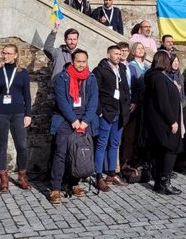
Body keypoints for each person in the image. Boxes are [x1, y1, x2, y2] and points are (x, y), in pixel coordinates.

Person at [49, 48, 99, 203]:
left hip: (84, 120)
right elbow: (62, 101)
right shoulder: (61, 78)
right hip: (66, 119)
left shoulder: (91, 78)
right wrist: (73, 120)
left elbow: (93, 101)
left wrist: (84, 121)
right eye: (78, 61)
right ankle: (56, 188)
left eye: (84, 62)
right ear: (72, 61)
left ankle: (74, 183)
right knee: (61, 154)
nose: (81, 65)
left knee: (78, 153)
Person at [0, 44, 32, 192]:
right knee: (1, 146)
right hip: (0, 113)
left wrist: (28, 114)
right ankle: (3, 179)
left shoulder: (23, 73)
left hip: (18, 113)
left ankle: (22, 176)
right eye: (4, 53)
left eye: (10, 53)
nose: (6, 56)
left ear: (16, 55)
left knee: (22, 146)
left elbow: (27, 95)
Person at [144, 51, 184, 194]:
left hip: (160, 120)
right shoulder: (158, 78)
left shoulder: (158, 77)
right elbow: (162, 102)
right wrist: (172, 121)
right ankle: (164, 182)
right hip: (164, 121)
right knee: (170, 149)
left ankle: (159, 182)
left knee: (161, 151)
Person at [93, 45, 131, 192]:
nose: (118, 56)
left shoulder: (121, 68)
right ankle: (98, 176)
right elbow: (94, 92)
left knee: (115, 143)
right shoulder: (100, 69)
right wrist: (100, 111)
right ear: (108, 54)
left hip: (120, 112)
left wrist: (127, 104)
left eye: (120, 53)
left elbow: (125, 88)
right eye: (116, 53)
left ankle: (111, 173)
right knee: (102, 143)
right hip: (106, 112)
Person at [121, 42, 148, 167]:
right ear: (133, 51)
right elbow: (133, 85)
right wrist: (134, 101)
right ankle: (126, 160)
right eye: (138, 48)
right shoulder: (131, 66)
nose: (141, 50)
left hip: (145, 103)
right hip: (135, 103)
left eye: (142, 48)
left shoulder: (146, 66)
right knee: (130, 133)